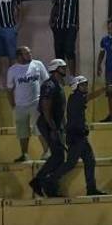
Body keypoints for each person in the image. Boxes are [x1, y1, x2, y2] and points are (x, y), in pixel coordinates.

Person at [43, 76, 105, 197]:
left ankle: (91, 188)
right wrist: (103, 90)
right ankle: (50, 180)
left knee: (89, 161)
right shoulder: (76, 98)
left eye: (86, 84)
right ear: (76, 86)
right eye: (83, 85)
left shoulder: (76, 98)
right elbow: (89, 97)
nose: (85, 87)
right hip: (76, 137)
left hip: (80, 137)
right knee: (71, 163)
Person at [29, 59, 68, 197]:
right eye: (63, 67)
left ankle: (47, 183)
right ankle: (40, 181)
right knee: (58, 155)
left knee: (59, 156)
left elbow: (61, 108)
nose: (65, 70)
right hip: (48, 124)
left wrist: (63, 125)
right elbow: (46, 108)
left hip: (54, 124)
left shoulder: (57, 84)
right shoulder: (49, 85)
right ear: (56, 69)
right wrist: (53, 129)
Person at [6, 46, 49, 162]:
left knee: (40, 128)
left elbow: (46, 82)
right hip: (20, 105)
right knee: (22, 131)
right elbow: (9, 89)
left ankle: (47, 151)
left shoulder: (38, 65)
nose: (30, 55)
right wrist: (13, 105)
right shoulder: (13, 70)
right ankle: (24, 154)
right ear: (19, 56)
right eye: (27, 53)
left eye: (30, 52)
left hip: (36, 103)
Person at [49, 0, 78, 75]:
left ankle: (72, 76)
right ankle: (61, 77)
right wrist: (51, 20)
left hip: (71, 25)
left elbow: (80, 7)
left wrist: (77, 24)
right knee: (58, 52)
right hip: (58, 25)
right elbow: (55, 5)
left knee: (69, 51)